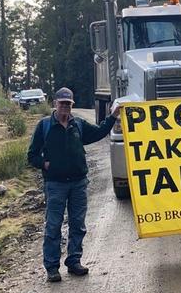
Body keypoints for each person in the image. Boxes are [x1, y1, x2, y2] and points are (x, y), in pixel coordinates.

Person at [28, 87, 120, 282]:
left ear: (72, 105)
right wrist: (44, 164)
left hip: (78, 183)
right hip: (55, 185)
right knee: (53, 226)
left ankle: (74, 261)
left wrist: (113, 116)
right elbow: (32, 155)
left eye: (68, 104)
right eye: (62, 103)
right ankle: (52, 268)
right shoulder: (44, 126)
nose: (65, 107)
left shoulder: (78, 124)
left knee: (78, 224)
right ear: (55, 104)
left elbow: (99, 133)